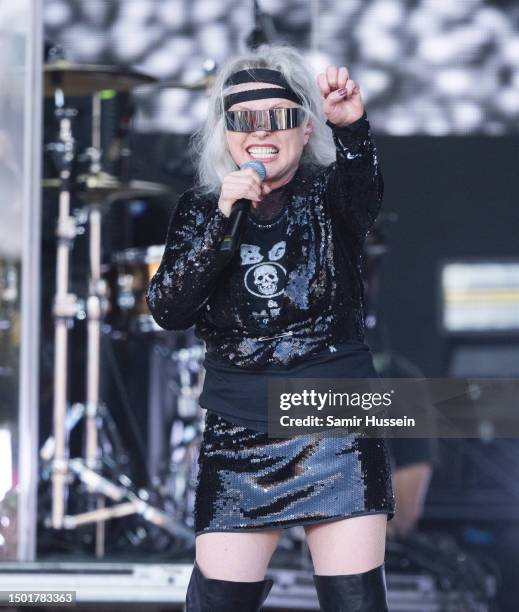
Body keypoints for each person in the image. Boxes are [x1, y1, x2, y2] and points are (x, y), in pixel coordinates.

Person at [147, 44, 395, 612]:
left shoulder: (329, 194)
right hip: (238, 428)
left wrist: (354, 133)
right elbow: (169, 308)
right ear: (226, 132)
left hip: (335, 418)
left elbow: (364, 200)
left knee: (355, 602)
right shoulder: (201, 208)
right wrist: (221, 221)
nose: (260, 132)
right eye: (242, 120)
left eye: (277, 117)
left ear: (305, 127)